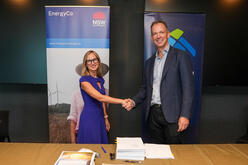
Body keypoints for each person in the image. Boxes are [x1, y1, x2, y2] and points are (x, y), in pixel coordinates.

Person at [124, 20, 194, 144]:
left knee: (176, 154)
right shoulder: (149, 62)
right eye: (155, 33)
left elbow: (188, 88)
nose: (158, 36)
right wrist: (134, 101)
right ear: (152, 37)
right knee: (157, 153)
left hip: (174, 116)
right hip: (153, 116)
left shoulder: (181, 56)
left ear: (168, 34)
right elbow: (145, 88)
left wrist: (185, 115)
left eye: (161, 32)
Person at [77, 50, 127, 144]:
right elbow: (101, 98)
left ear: (98, 61)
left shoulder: (100, 79)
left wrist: (105, 118)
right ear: (86, 64)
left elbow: (102, 101)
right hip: (89, 118)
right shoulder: (84, 80)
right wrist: (122, 101)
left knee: (101, 146)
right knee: (91, 147)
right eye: (89, 61)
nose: (92, 63)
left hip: (100, 117)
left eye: (94, 59)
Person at [67, 62, 109, 144]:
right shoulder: (76, 94)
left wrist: (106, 118)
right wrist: (73, 142)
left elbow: (104, 107)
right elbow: (73, 117)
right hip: (84, 130)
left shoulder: (107, 92)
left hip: (100, 129)